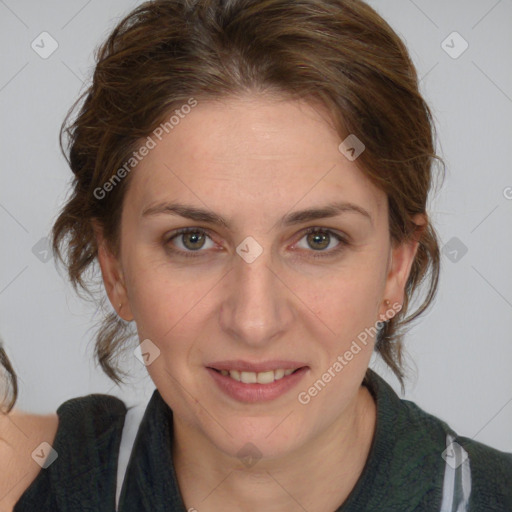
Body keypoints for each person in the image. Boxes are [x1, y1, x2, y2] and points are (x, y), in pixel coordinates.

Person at [1, 0, 511, 510]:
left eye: (318, 239)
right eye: (192, 240)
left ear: (396, 267)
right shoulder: (28, 478)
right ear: (113, 267)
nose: (254, 321)